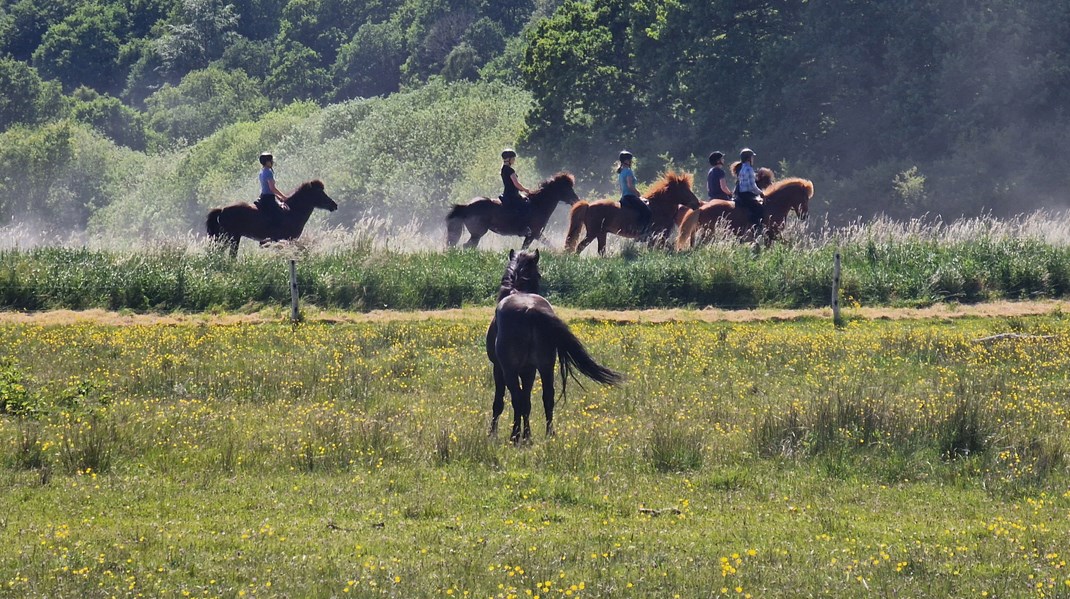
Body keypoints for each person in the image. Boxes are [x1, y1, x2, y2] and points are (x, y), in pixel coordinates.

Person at [617, 151, 652, 239]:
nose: (631, 161)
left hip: (624, 198)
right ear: (627, 160)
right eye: (630, 160)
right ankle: (642, 233)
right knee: (647, 212)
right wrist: (637, 193)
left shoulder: (621, 172)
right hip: (630, 197)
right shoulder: (628, 171)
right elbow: (630, 185)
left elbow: (620, 188)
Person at [500, 149, 532, 233]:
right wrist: (525, 190)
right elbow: (516, 184)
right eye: (513, 158)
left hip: (506, 194)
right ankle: (522, 228)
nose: (514, 160)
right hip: (512, 195)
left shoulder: (503, 169)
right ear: (509, 159)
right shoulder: (510, 170)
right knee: (526, 206)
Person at [733, 148, 764, 234]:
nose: (753, 159)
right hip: (747, 195)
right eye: (752, 157)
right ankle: (757, 229)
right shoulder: (749, 169)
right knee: (759, 209)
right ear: (748, 158)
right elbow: (752, 186)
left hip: (740, 194)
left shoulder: (742, 168)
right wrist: (761, 193)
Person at [255, 152, 289, 229]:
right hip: (268, 199)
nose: (272, 162)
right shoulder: (268, 172)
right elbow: (272, 188)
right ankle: (275, 234)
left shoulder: (262, 171)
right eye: (271, 161)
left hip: (264, 196)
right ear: (267, 162)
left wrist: (277, 196)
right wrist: (283, 197)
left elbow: (267, 188)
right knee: (280, 215)